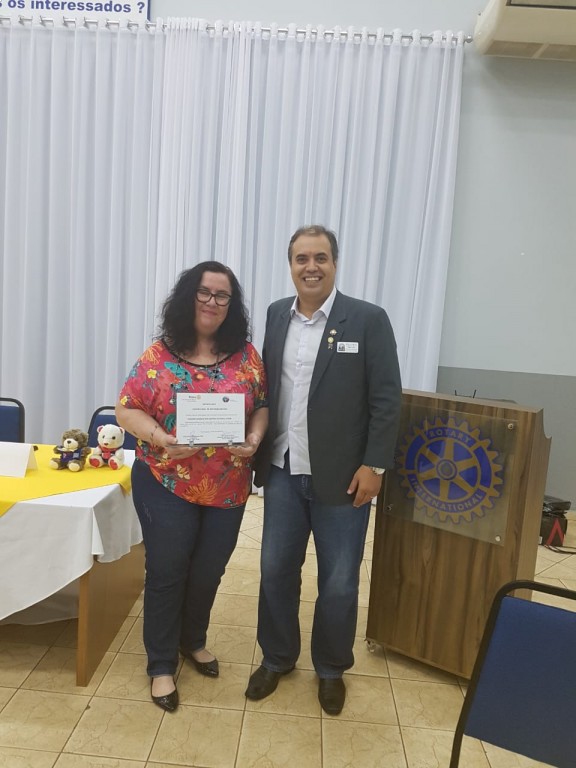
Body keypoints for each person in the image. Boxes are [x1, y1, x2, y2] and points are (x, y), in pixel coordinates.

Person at [246, 225, 401, 715]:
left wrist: (375, 465)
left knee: (338, 580)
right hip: (283, 469)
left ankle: (331, 668)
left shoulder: (367, 320)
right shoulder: (276, 314)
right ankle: (277, 657)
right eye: (301, 258)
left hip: (344, 477)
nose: (310, 267)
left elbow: (386, 400)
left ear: (334, 263)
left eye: (320, 258)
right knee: (275, 570)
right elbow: (266, 388)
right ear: (290, 265)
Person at [116, 262, 268, 713]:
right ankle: (161, 664)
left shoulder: (246, 355)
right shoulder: (158, 355)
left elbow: (261, 405)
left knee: (208, 571)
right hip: (165, 481)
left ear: (231, 304)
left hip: (228, 485)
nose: (212, 302)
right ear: (188, 296)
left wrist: (254, 438)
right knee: (168, 570)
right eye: (204, 292)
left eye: (222, 295)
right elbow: (126, 409)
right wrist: (162, 438)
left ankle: (192, 640)